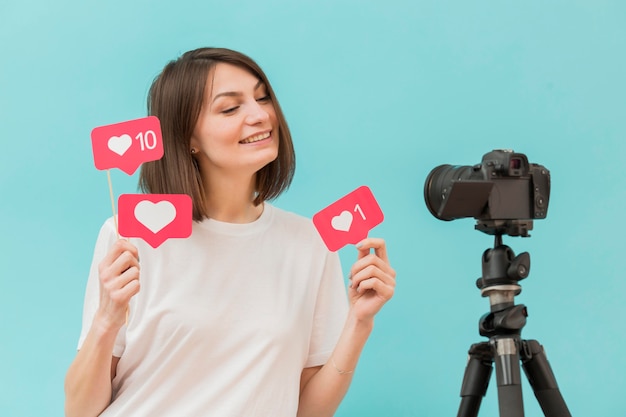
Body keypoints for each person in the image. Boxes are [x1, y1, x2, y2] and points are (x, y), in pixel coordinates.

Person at [64, 47, 396, 417]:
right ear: (189, 138)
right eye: (230, 108)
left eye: (262, 97)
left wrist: (359, 321)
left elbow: (307, 411)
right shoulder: (130, 237)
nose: (259, 115)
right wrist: (107, 319)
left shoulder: (310, 243)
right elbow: (78, 411)